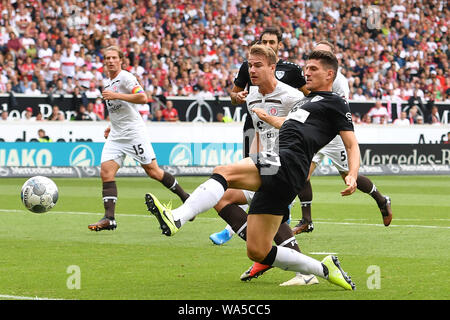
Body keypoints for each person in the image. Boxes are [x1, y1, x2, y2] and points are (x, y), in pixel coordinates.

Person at [145, 50, 359, 291]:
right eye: (306, 68)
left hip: (287, 161)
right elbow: (290, 126)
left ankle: (177, 218)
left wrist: (352, 173)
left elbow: (351, 144)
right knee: (258, 250)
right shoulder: (303, 101)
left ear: (330, 74)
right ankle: (325, 269)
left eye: (313, 69)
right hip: (285, 170)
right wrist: (268, 117)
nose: (306, 72)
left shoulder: (336, 102)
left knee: (223, 172)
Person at [210, 26, 308, 246]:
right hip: (253, 126)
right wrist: (238, 96)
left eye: (272, 42)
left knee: (262, 185)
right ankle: (258, 230)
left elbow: (308, 98)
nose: (267, 45)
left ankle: (278, 216)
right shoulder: (250, 66)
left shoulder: (292, 71)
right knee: (253, 182)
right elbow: (234, 96)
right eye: (264, 41)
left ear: (279, 46)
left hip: (286, 137)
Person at [88, 46, 190, 232]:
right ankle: (109, 218)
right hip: (117, 135)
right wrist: (112, 126)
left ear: (121, 60)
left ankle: (186, 198)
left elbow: (143, 98)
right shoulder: (108, 83)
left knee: (154, 172)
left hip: (134, 134)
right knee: (106, 172)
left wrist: (117, 95)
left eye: (114, 58)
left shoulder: (125, 78)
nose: (110, 61)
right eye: (107, 58)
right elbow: (121, 110)